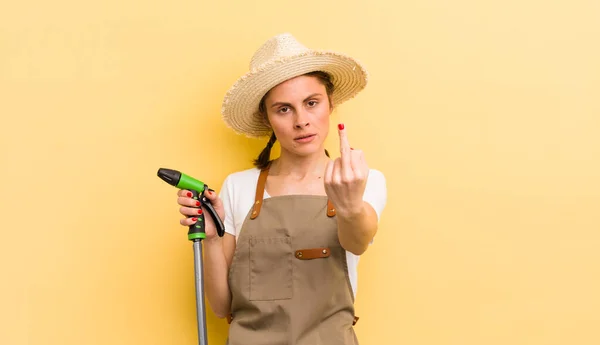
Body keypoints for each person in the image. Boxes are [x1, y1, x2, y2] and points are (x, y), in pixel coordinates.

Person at [175, 33, 387, 344]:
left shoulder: (360, 179)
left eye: (311, 103)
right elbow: (221, 307)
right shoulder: (239, 186)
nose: (301, 121)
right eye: (284, 109)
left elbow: (357, 242)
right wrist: (210, 239)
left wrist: (350, 203)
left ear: (330, 104)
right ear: (268, 118)